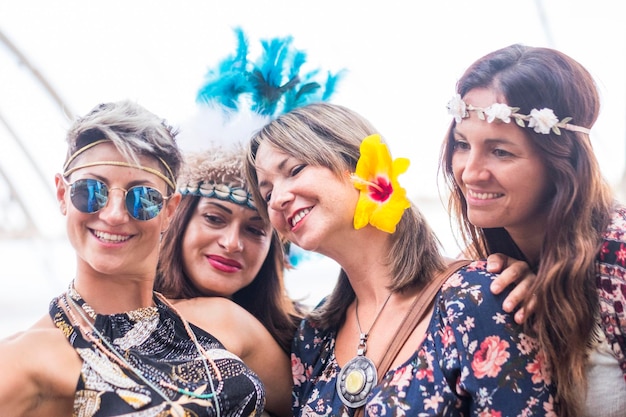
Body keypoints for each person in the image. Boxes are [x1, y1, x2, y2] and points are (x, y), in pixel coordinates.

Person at [244, 101, 555, 416]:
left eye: (294, 170)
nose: (279, 199)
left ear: (358, 163)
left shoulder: (475, 298)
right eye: (267, 194)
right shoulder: (313, 337)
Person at [0, 100, 291, 417]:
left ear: (169, 210)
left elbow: (322, 402)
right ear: (62, 195)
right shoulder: (27, 359)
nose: (113, 215)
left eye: (143, 198)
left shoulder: (224, 321)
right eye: (90, 191)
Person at [441, 44, 626, 417]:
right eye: (462, 145)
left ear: (560, 162)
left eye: (501, 152)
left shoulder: (618, 256)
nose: (470, 172)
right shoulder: (481, 273)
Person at [156, 144, 302, 353]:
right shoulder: (118, 305)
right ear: (177, 219)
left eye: (254, 230)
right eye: (214, 219)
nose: (232, 243)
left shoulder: (307, 342)